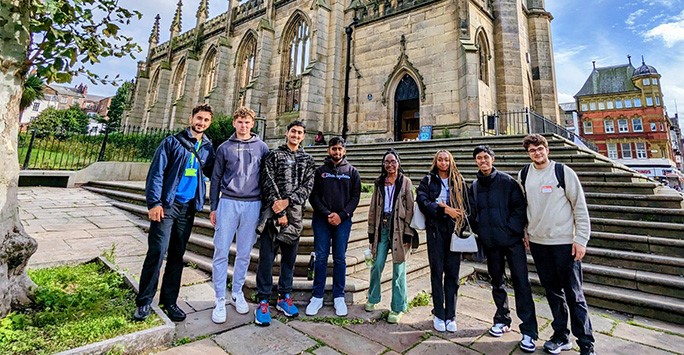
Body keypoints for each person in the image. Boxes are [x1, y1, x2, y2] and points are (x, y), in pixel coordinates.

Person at [133, 103, 216, 322]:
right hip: (167, 205)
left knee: (177, 255)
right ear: (191, 119)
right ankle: (143, 302)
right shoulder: (171, 142)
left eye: (206, 120)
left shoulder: (207, 147)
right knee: (157, 252)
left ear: (210, 123)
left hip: (188, 208)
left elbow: (216, 172)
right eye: (199, 118)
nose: (201, 123)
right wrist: (154, 203)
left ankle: (169, 301)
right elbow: (156, 174)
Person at [520, 134, 595, 355]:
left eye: (540, 149)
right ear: (528, 153)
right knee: (553, 292)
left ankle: (586, 342)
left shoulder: (563, 172)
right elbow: (526, 207)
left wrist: (581, 239)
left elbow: (579, 207)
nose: (537, 153)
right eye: (532, 150)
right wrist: (526, 231)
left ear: (547, 150)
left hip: (564, 243)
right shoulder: (524, 174)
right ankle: (561, 336)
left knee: (574, 295)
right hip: (538, 243)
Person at [468, 145, 538, 352]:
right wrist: (480, 230)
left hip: (512, 242)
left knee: (521, 284)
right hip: (491, 244)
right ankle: (502, 319)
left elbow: (520, 207)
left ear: (493, 159)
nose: (483, 161)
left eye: (486, 157)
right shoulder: (474, 186)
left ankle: (529, 331)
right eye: (479, 158)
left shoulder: (507, 182)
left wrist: (511, 230)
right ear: (476, 162)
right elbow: (472, 212)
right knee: (497, 282)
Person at [209, 106, 269, 323]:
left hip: (252, 204)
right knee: (221, 251)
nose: (243, 126)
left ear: (252, 124)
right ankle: (218, 299)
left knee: (244, 252)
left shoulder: (262, 147)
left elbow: (266, 178)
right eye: (240, 122)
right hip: (228, 203)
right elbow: (216, 178)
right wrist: (214, 206)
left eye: (247, 122)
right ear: (234, 123)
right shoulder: (224, 148)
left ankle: (237, 292)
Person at [254, 120, 316, 326]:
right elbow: (267, 181)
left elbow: (307, 186)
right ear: (286, 133)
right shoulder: (273, 155)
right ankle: (263, 300)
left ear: (303, 136)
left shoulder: (308, 160)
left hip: (295, 217)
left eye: (300, 132)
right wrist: (278, 207)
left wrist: (287, 203)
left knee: (289, 260)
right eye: (293, 131)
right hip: (272, 215)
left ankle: (284, 297)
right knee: (266, 260)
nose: (296, 135)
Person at [306, 137, 362, 317]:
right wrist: (327, 214)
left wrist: (342, 215)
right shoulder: (320, 171)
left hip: (343, 221)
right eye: (334, 149)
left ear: (344, 151)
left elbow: (355, 197)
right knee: (321, 257)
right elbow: (313, 196)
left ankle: (339, 296)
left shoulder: (352, 172)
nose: (337, 152)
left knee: (340, 258)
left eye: (340, 149)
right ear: (328, 150)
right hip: (322, 220)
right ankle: (317, 296)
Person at [416, 150, 468, 333]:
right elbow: (422, 201)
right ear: (435, 161)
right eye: (440, 159)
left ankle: (451, 315)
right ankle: (438, 313)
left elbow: (467, 205)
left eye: (446, 159)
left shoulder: (459, 180)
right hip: (436, 231)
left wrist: (456, 213)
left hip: (454, 231)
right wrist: (444, 210)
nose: (443, 162)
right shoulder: (428, 180)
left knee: (453, 274)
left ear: (451, 161)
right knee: (437, 272)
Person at [365, 149, 417, 324]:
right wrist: (371, 232)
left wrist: (409, 233)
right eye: (387, 162)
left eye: (393, 161)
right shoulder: (379, 182)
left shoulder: (405, 182)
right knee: (376, 264)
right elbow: (373, 208)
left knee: (398, 270)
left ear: (398, 163)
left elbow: (411, 208)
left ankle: (398, 306)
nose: (390, 165)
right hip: (383, 228)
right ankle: (372, 297)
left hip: (400, 229)